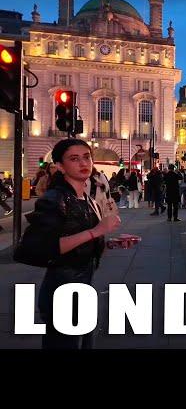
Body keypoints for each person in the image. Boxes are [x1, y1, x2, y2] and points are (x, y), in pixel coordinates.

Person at [20, 139, 121, 349]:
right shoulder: (54, 199)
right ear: (59, 165)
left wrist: (108, 242)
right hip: (62, 291)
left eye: (86, 157)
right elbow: (43, 247)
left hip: (83, 288)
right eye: (74, 159)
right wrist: (97, 230)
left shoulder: (88, 199)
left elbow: (81, 239)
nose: (83, 163)